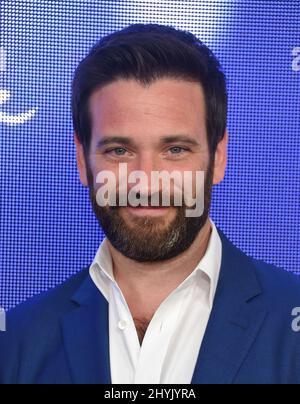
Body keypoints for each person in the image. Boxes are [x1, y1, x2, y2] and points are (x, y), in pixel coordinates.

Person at [0, 24, 299, 385]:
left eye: (175, 150)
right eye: (119, 151)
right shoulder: (17, 343)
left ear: (218, 158)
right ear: (82, 161)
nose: (145, 181)